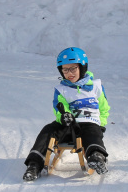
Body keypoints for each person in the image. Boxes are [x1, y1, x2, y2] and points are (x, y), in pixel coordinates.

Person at [23, 47, 110, 182]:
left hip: (89, 122)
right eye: (65, 69)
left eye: (73, 68)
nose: (69, 73)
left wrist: (101, 125)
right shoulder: (61, 90)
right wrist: (64, 116)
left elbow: (104, 109)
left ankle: (96, 156)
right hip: (68, 125)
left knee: (92, 131)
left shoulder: (96, 86)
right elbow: (58, 108)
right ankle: (34, 164)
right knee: (48, 130)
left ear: (82, 67)